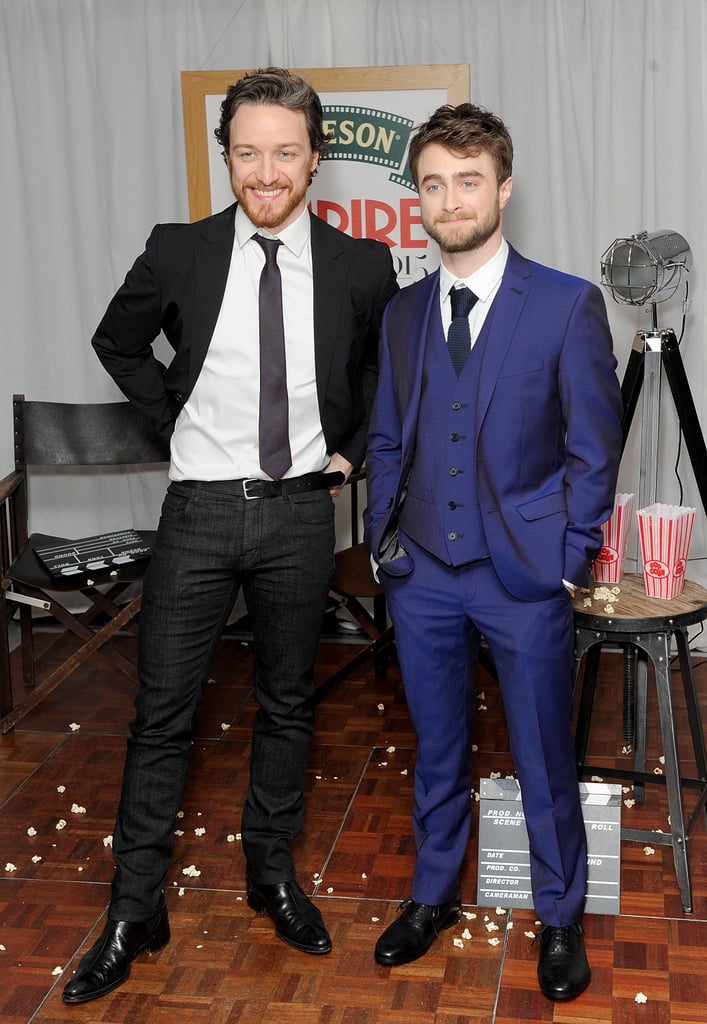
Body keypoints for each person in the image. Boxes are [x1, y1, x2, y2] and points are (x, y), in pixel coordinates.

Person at [63, 67, 398, 1005]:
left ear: (314, 159)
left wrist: (353, 451)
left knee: (288, 702)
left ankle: (271, 874)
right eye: (247, 152)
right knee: (161, 713)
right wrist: (174, 413)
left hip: (299, 511)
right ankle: (136, 906)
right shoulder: (179, 250)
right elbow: (116, 341)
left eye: (284, 152)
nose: (265, 170)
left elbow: (380, 372)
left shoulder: (360, 265)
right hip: (199, 509)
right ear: (226, 158)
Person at [363, 102, 622, 1002]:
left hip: (525, 577)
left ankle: (559, 916)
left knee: (545, 752)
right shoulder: (401, 314)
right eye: (432, 184)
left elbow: (594, 445)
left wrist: (570, 557)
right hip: (422, 574)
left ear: (502, 187)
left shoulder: (563, 304)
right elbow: (388, 438)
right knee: (437, 747)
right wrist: (381, 545)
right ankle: (432, 895)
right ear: (420, 200)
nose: (449, 199)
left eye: (467, 181)